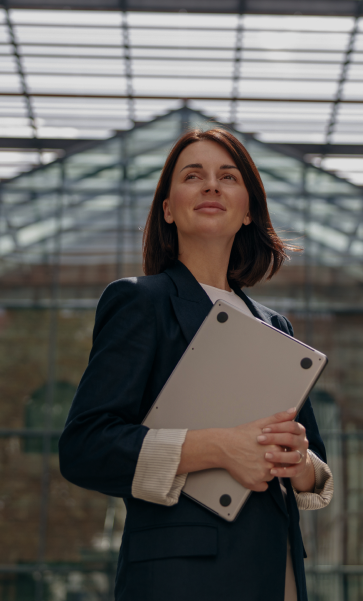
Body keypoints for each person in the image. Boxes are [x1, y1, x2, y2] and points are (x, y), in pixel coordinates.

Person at [59, 127, 333, 601]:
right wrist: (219, 448)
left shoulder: (276, 328)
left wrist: (299, 461)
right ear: (168, 209)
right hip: (181, 579)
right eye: (193, 175)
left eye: (227, 176)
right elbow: (86, 447)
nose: (211, 185)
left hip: (277, 574)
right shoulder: (140, 302)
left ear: (248, 211)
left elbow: (312, 465)